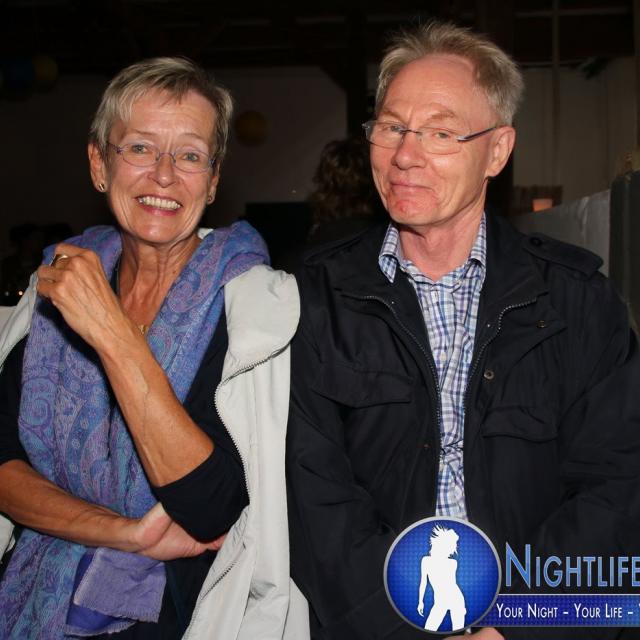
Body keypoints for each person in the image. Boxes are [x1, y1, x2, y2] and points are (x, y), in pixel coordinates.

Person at [286, 20, 640, 640]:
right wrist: (402, 632)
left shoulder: (580, 301)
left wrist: (516, 627)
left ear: (497, 151)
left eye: (441, 132)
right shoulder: (313, 299)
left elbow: (618, 491)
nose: (405, 155)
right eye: (392, 127)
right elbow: (314, 504)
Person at [0, 57, 308, 639]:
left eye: (190, 155)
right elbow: (3, 461)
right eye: (140, 148)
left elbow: (210, 506)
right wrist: (125, 532)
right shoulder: (58, 283)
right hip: (34, 596)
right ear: (100, 164)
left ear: (212, 181)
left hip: (182, 615)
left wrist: (112, 333)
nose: (164, 175)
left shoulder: (253, 309)